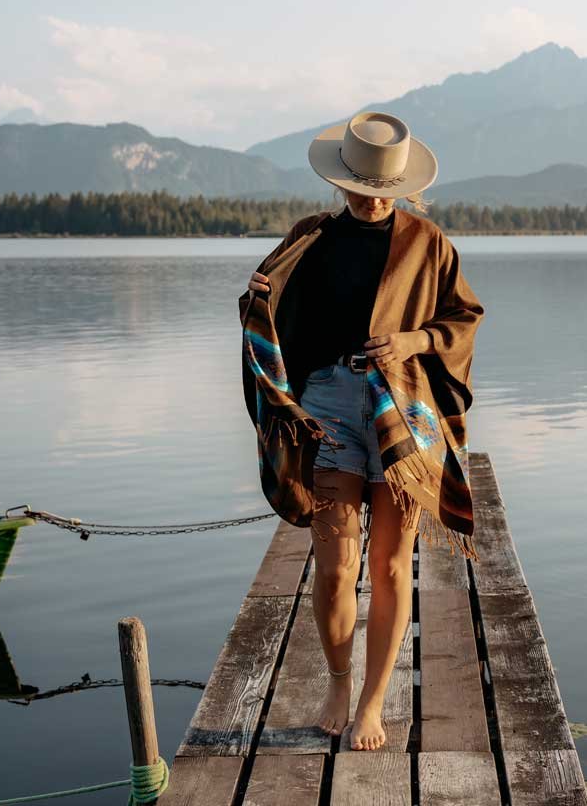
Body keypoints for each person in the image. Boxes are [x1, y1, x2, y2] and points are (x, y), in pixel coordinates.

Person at [239, 111, 484, 751]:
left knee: (392, 563)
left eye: (381, 191)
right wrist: (257, 298)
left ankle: (374, 702)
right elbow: (270, 319)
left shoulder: (428, 244)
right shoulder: (309, 237)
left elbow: (463, 319)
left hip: (399, 407)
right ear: (340, 181)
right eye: (359, 187)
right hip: (326, 404)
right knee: (335, 561)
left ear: (400, 188)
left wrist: (413, 339)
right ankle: (340, 681)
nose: (369, 201)